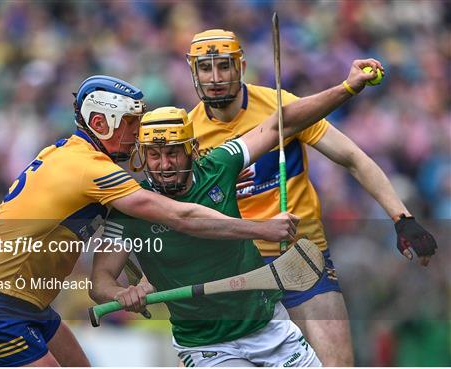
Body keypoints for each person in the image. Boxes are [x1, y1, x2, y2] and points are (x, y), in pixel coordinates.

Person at [0, 75, 300, 367]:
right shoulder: (90, 169)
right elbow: (180, 217)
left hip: (25, 303)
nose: (138, 132)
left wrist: (205, 183)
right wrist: (262, 228)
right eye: (131, 123)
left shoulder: (67, 152)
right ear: (100, 123)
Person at [91, 58, 384, 367]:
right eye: (154, 155)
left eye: (173, 152)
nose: (164, 166)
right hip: (205, 347)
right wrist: (121, 294)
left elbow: (280, 122)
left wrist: (347, 88)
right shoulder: (130, 208)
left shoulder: (220, 165)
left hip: (269, 328)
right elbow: (100, 281)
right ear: (141, 157)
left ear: (191, 148)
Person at [185, 29, 438, 366]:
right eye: (205, 68)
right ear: (193, 72)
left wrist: (401, 218)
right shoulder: (186, 134)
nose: (215, 77)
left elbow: (353, 158)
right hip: (235, 272)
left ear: (241, 66)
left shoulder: (281, 105)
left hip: (300, 260)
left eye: (224, 66)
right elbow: (179, 214)